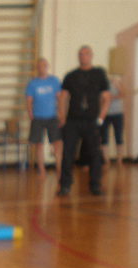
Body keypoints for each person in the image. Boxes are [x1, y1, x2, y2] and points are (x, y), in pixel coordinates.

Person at [58, 45, 110, 196]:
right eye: (80, 54)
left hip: (91, 121)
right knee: (68, 154)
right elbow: (63, 97)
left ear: (91, 56)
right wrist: (62, 117)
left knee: (94, 154)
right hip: (73, 121)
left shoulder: (99, 74)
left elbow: (106, 98)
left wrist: (101, 117)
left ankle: (95, 185)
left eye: (86, 54)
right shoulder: (71, 75)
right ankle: (65, 185)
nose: (83, 56)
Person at [25, 58, 63, 177]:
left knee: (57, 143)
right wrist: (30, 113)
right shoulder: (33, 83)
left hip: (52, 117)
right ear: (37, 68)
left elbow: (60, 98)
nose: (42, 68)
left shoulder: (54, 81)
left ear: (47, 66)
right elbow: (29, 100)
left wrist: (61, 113)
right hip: (38, 117)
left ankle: (59, 167)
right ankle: (41, 169)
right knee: (39, 144)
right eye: (40, 66)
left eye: (44, 65)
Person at [100, 74, 125, 166]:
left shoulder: (117, 82)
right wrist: (106, 99)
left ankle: (120, 160)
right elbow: (100, 99)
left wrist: (117, 85)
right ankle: (106, 160)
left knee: (119, 136)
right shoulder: (102, 85)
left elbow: (123, 94)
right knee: (104, 137)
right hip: (105, 114)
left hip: (118, 113)